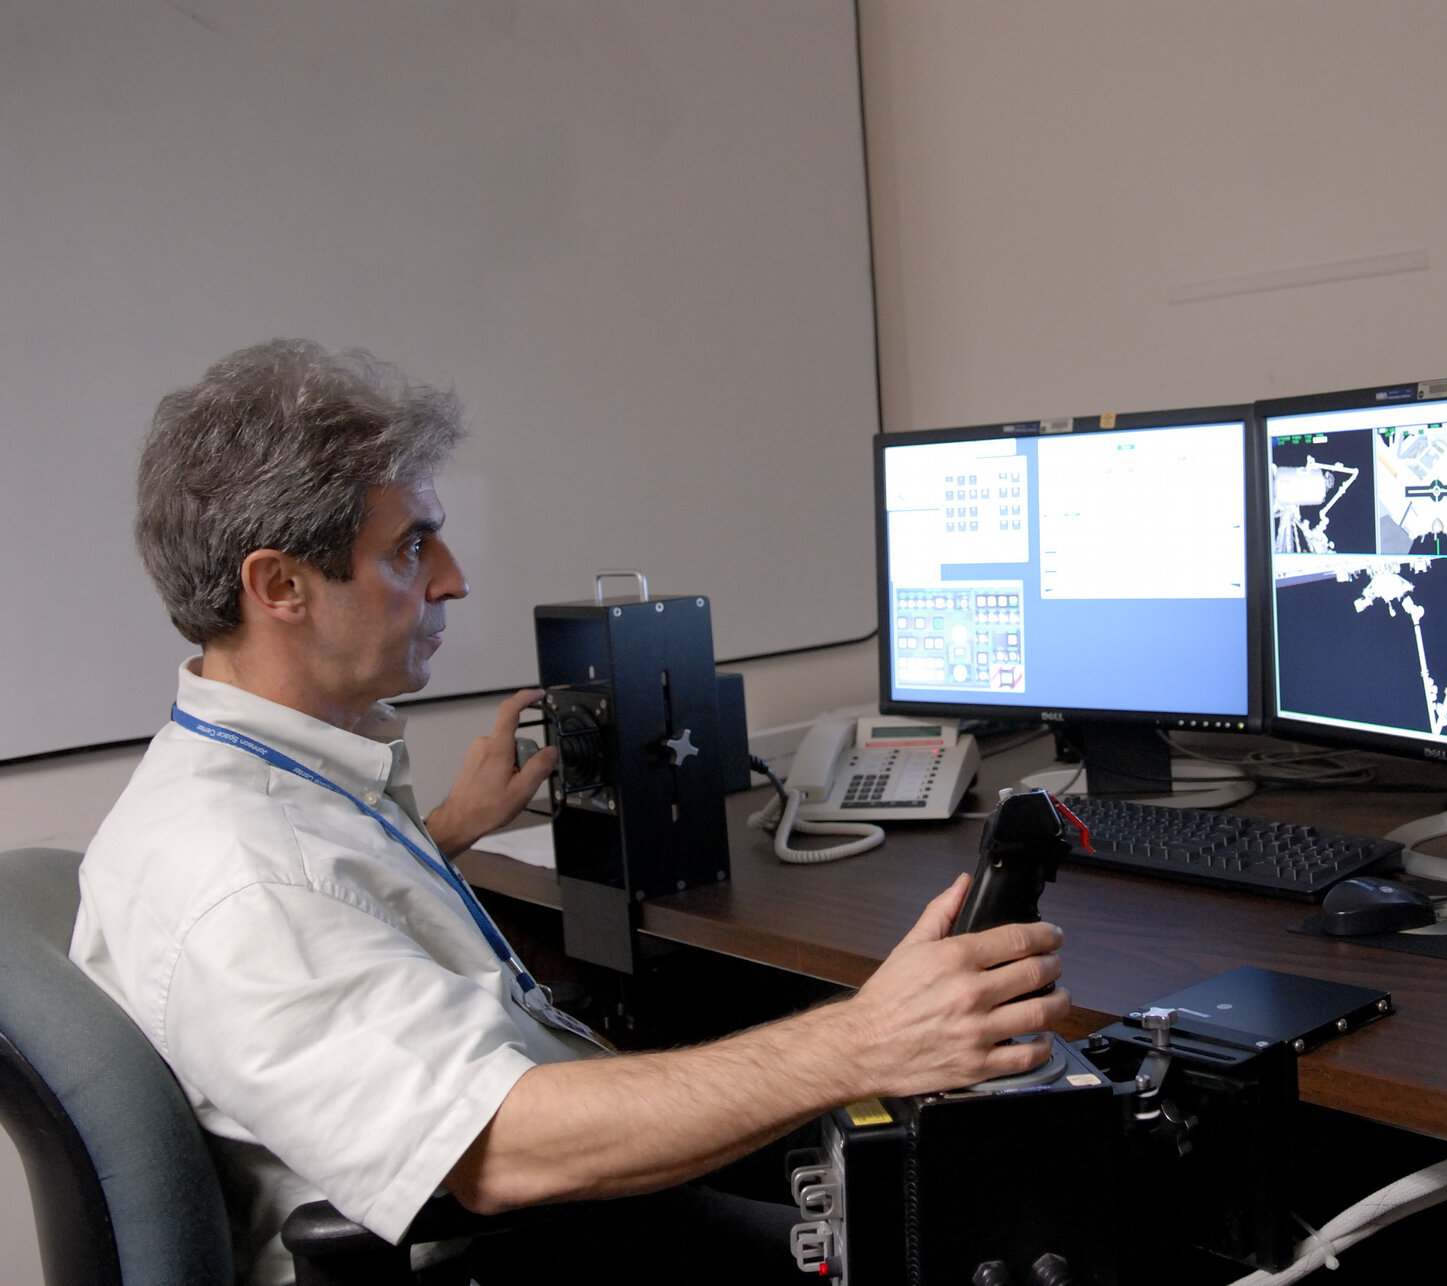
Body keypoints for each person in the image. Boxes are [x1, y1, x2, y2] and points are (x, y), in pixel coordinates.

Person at [70, 340, 1070, 1284]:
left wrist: (436, 839)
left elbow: (325, 926)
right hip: (521, 1243)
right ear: (280, 584)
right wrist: (862, 1038)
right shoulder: (242, 875)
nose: (454, 577)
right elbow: (496, 1149)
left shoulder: (255, 791)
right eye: (411, 547)